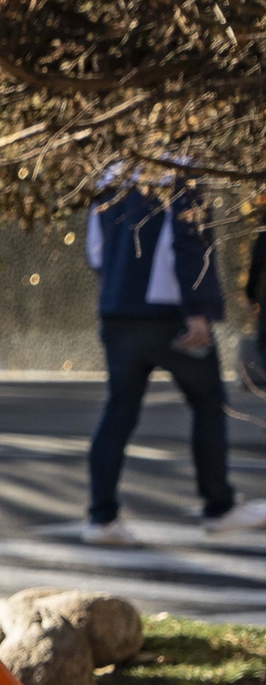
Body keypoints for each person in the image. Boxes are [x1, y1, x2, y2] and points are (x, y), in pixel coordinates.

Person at [83, 180, 266, 544]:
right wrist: (195, 310)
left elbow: (94, 253)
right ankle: (219, 507)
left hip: (117, 313)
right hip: (171, 316)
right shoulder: (177, 177)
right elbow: (186, 243)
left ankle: (101, 518)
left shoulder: (108, 182)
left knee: (119, 410)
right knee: (208, 402)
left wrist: (119, 289)